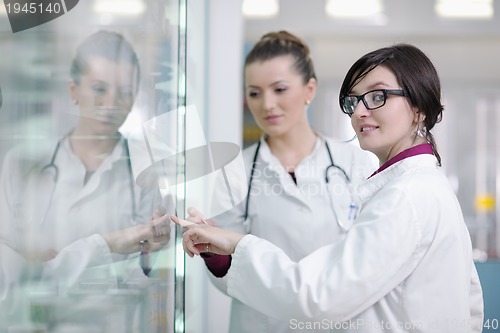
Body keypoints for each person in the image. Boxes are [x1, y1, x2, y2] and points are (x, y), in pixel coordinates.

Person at [174, 43, 484, 333]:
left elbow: (318, 294)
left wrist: (238, 244)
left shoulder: (403, 195)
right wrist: (226, 250)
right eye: (354, 101)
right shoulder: (418, 186)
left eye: (377, 96)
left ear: (419, 106)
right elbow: (469, 305)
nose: (360, 112)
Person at [186, 30, 375, 333]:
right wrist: (212, 251)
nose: (267, 104)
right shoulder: (234, 171)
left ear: (309, 90)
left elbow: (369, 258)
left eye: (279, 89)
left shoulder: (354, 163)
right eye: (255, 93)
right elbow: (230, 279)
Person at [0, 30, 171, 329]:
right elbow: (9, 263)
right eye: (99, 88)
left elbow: (148, 270)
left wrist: (51, 264)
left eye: (124, 91)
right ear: (73, 90)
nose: (111, 103)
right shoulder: (23, 164)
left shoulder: (148, 170)